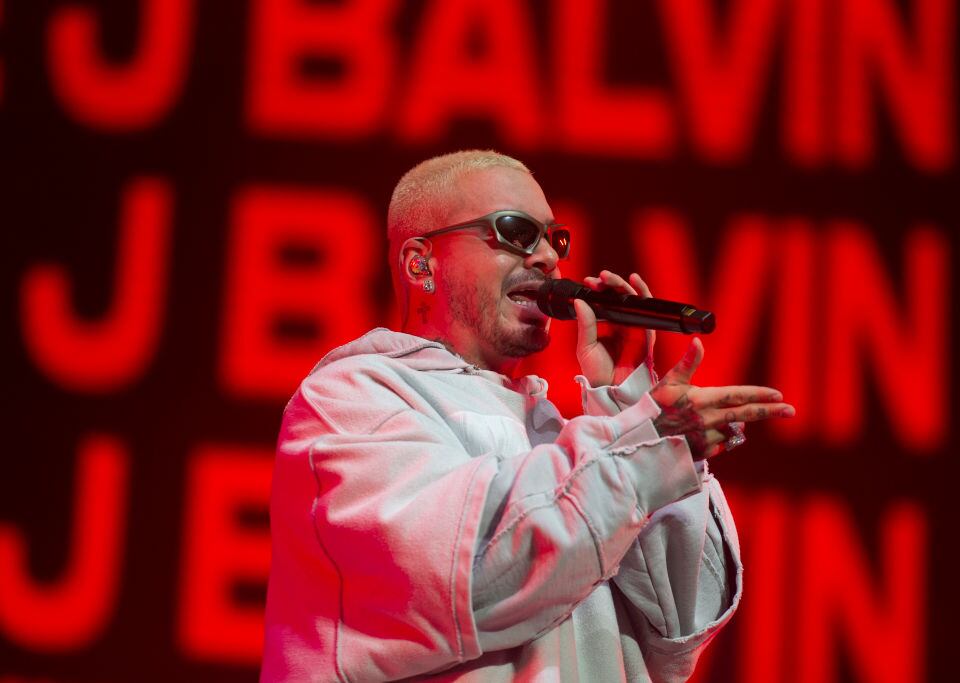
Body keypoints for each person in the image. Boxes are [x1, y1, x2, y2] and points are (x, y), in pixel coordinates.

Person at [259, 150, 795, 682]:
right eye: (516, 232)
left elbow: (680, 629)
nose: (546, 259)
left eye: (554, 240)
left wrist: (625, 399)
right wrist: (641, 446)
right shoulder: (350, 401)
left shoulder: (555, 432)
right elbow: (468, 572)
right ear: (421, 262)